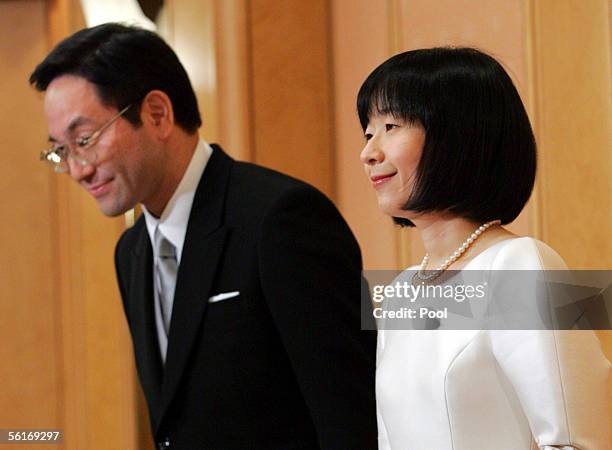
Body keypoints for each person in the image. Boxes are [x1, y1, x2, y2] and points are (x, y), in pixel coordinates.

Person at [30, 23, 377, 449]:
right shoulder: (132, 250)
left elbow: (349, 416)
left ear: (157, 113)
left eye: (85, 139)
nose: (77, 169)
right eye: (61, 151)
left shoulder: (279, 218)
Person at [357, 47, 610, 449]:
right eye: (368, 132)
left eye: (391, 125)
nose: (369, 152)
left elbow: (578, 441)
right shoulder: (401, 292)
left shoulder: (522, 264)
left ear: (457, 136)